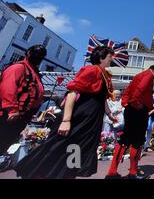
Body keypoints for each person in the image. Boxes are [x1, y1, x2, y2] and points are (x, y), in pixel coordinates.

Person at [15, 45, 116, 178]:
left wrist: (109, 114)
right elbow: (72, 93)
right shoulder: (91, 70)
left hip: (91, 121)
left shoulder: (104, 74)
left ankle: (69, 174)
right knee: (62, 148)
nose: (111, 60)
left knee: (78, 150)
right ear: (101, 57)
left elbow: (102, 98)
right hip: (81, 118)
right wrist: (66, 120)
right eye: (109, 57)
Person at [106, 65, 154, 179]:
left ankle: (112, 172)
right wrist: (137, 104)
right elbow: (140, 89)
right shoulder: (149, 75)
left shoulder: (138, 75)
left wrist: (126, 103)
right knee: (138, 141)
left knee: (125, 139)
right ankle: (133, 172)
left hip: (131, 109)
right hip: (138, 111)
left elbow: (128, 90)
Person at [0, 45, 47, 155]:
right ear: (28, 53)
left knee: (6, 141)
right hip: (9, 114)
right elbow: (8, 88)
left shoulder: (34, 72)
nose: (38, 57)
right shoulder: (19, 68)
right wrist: (12, 110)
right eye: (36, 53)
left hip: (22, 115)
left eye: (41, 55)